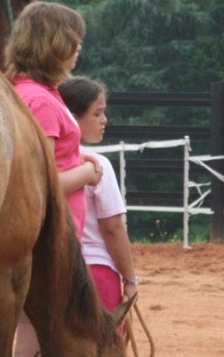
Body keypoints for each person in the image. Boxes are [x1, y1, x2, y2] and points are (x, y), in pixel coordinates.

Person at [4, 4, 99, 357]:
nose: (77, 49)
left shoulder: (31, 92)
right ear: (52, 44)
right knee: (31, 343)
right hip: (45, 239)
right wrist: (87, 173)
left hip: (49, 237)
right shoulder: (39, 101)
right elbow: (39, 183)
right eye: (71, 41)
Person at [59, 76, 140, 313]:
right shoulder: (98, 164)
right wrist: (130, 280)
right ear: (73, 119)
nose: (104, 120)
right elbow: (113, 227)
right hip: (95, 270)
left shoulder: (43, 162)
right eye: (97, 114)